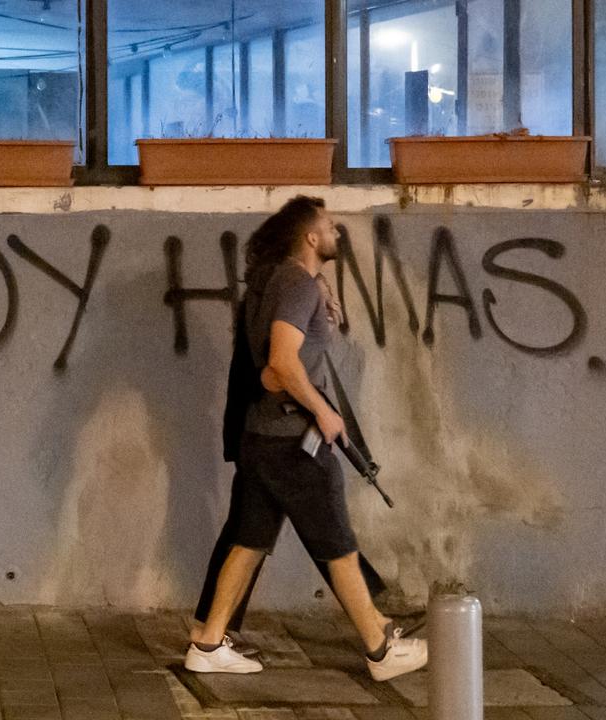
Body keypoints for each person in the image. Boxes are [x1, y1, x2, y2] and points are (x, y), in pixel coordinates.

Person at [183, 196, 427, 682]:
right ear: (310, 237)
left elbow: (270, 370)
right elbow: (282, 362)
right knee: (336, 541)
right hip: (294, 444)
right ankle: (380, 650)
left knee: (250, 540)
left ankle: (208, 644)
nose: (337, 230)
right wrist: (324, 412)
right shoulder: (296, 282)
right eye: (329, 226)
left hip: (261, 438)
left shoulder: (271, 283)